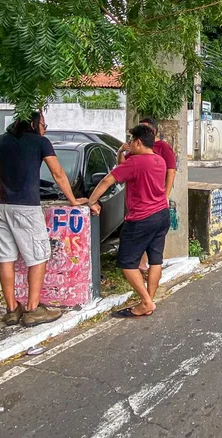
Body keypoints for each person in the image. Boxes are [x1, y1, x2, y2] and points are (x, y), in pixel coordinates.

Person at [0, 111, 86, 327]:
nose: (45, 128)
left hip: (0, 206)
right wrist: (72, 200)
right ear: (34, 124)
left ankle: (12, 309)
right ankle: (33, 309)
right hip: (26, 207)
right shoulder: (40, 142)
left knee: (6, 258)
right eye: (43, 124)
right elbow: (58, 173)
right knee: (38, 257)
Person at [91, 124, 168, 318]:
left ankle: (147, 302)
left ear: (138, 142)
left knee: (127, 263)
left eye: (131, 140)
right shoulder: (159, 161)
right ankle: (147, 300)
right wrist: (121, 152)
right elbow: (122, 167)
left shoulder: (135, 163)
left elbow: (107, 180)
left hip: (141, 218)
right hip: (161, 214)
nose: (129, 143)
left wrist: (91, 200)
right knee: (155, 259)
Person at [117, 118, 176, 275]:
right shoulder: (135, 149)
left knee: (145, 249)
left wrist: (166, 195)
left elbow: (171, 170)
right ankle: (144, 277)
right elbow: (121, 169)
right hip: (136, 202)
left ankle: (146, 296)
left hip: (153, 204)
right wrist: (121, 151)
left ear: (152, 132)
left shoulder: (162, 148)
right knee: (145, 246)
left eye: (142, 130)